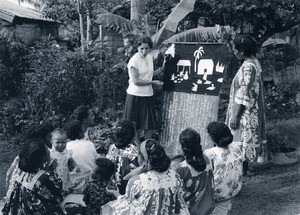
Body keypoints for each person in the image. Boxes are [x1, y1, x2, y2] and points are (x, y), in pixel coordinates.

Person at [105, 139, 190, 215]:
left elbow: (127, 206)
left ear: (145, 159)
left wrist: (115, 194)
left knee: (107, 209)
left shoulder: (137, 181)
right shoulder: (175, 177)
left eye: (138, 155)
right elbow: (180, 204)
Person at [225, 34, 266, 176]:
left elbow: (243, 93)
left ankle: (243, 168)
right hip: (252, 108)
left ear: (241, 51)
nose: (233, 52)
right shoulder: (254, 62)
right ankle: (246, 167)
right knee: (244, 137)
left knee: (241, 136)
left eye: (234, 49)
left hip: (245, 110)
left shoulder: (248, 67)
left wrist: (235, 115)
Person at [2, 138, 65, 215]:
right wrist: (53, 172)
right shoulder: (45, 177)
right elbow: (59, 197)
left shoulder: (21, 171)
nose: (50, 152)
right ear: (43, 158)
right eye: (47, 150)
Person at [123, 36, 165, 140]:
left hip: (147, 94)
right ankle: (138, 151)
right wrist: (153, 83)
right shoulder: (134, 61)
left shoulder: (149, 58)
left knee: (149, 126)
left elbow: (149, 74)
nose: (144, 51)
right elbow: (136, 81)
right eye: (141, 48)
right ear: (137, 48)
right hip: (135, 95)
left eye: (147, 48)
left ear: (150, 48)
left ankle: (147, 148)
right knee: (134, 126)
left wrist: (162, 69)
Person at [5, 123, 54, 200]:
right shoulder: (34, 160)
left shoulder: (25, 155)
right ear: (40, 139)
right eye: (49, 137)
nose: (52, 140)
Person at [204, 121, 243, 215]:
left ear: (212, 138)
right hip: (234, 189)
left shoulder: (210, 153)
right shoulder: (236, 147)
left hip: (219, 194)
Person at [175, 128, 215, 215]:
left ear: (182, 146)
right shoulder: (207, 159)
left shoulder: (181, 168)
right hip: (208, 207)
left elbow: (176, 195)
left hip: (190, 210)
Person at [106, 119, 139, 195]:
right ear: (133, 134)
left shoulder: (112, 148)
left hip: (113, 189)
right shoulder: (135, 151)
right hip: (129, 189)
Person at [50, 128, 80, 193]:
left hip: (65, 174)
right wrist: (51, 166)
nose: (61, 145)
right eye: (57, 142)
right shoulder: (51, 153)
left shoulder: (67, 152)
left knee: (66, 186)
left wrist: (76, 167)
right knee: (57, 188)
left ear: (67, 142)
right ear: (52, 142)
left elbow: (71, 161)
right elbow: (47, 165)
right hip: (56, 175)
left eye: (63, 142)